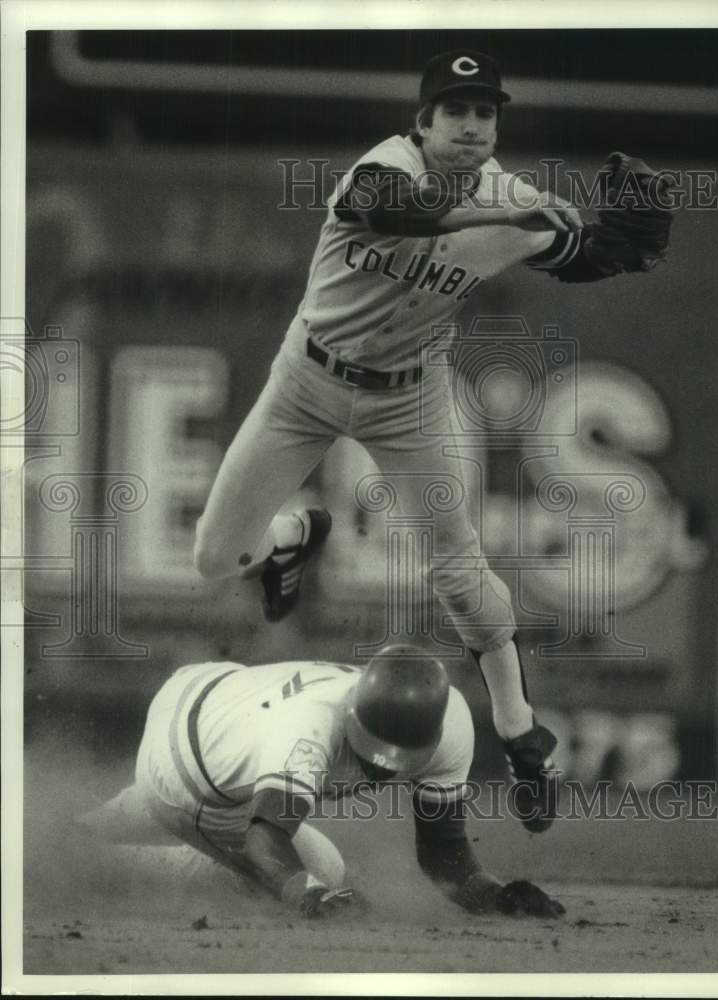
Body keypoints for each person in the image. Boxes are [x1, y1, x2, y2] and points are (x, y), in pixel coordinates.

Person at [192, 49, 674, 834]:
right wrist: (511, 217)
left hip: (411, 399)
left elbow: (581, 257)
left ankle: (522, 735)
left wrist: (621, 244)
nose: (472, 127)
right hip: (305, 383)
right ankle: (294, 534)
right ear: (421, 123)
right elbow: (396, 214)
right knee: (213, 560)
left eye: (485, 113)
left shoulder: (512, 200)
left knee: (458, 569)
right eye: (455, 112)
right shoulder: (381, 170)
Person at [82, 647, 565, 919]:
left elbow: (445, 855)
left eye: (396, 758)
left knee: (235, 787)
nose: (380, 766)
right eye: (370, 746)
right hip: (188, 771)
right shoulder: (310, 729)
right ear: (354, 711)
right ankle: (89, 861)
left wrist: (495, 895)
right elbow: (264, 839)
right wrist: (310, 894)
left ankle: (78, 831)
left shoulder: (452, 724)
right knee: (322, 869)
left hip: (215, 696)